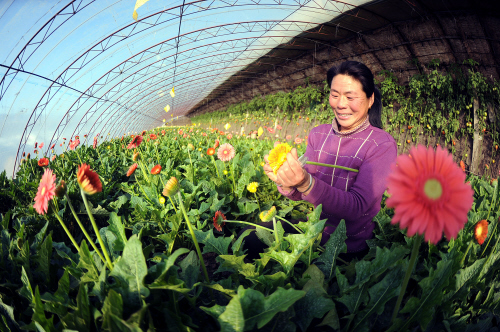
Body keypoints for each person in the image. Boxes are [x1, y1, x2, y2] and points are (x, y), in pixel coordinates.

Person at [260, 60, 397, 261]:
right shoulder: (318, 134)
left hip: (348, 248)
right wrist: (286, 182)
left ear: (370, 100)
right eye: (335, 95)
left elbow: (357, 207)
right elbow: (301, 195)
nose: (341, 104)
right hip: (313, 232)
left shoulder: (381, 144)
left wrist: (306, 183)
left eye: (350, 97)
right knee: (253, 237)